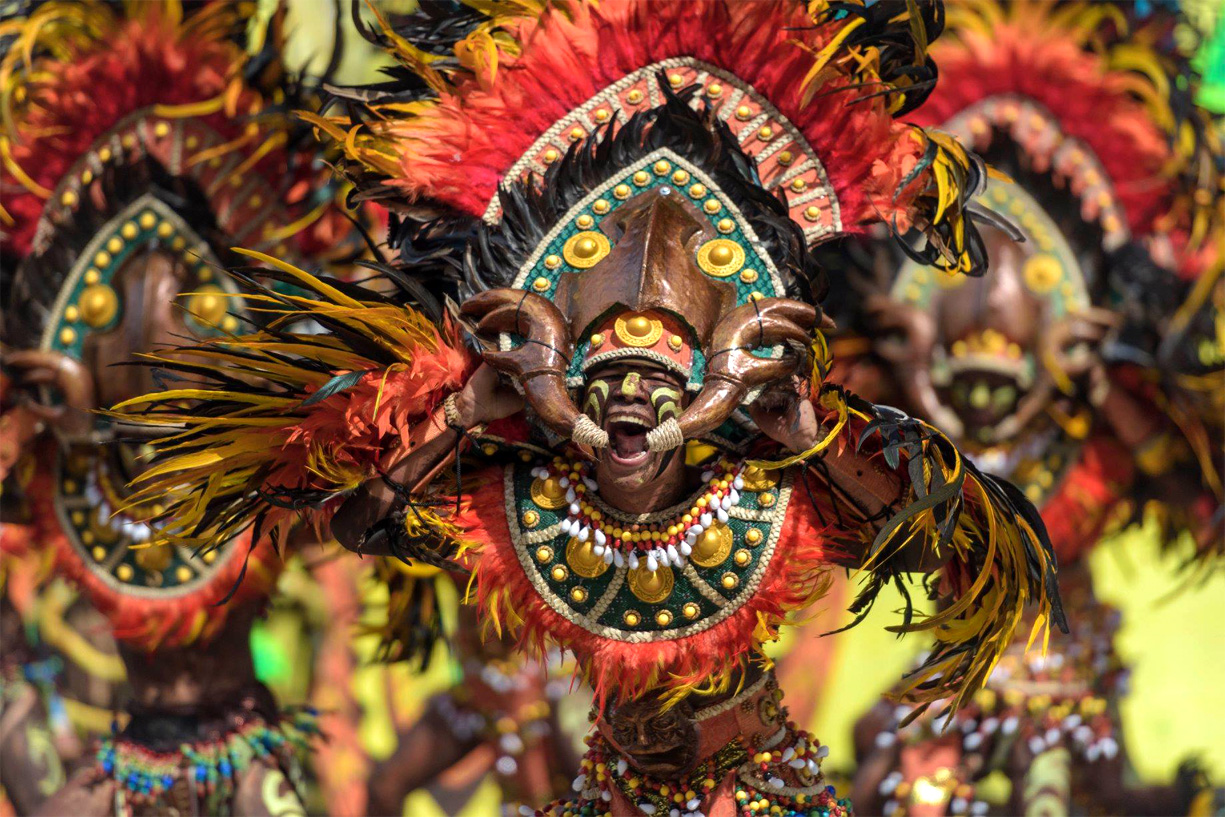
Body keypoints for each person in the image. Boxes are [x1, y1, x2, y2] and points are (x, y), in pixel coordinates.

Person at [114, 2, 1066, 815]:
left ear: (703, 393)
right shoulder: (524, 498)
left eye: (657, 390)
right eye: (605, 388)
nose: (628, 416)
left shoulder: (765, 490)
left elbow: (942, 547)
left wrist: (814, 445)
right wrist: (455, 420)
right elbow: (358, 523)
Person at [830, 3, 1224, 815]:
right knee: (893, 785)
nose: (983, 410)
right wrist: (907, 374)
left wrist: (1104, 385)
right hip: (944, 672)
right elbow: (876, 515)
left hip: (1066, 678)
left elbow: (1201, 503)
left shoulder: (1097, 413)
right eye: (957, 373)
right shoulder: (898, 409)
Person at [0, 2, 353, 812]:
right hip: (118, 761)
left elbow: (373, 509)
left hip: (247, 761)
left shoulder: (267, 471)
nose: (154, 407)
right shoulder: (63, 462)